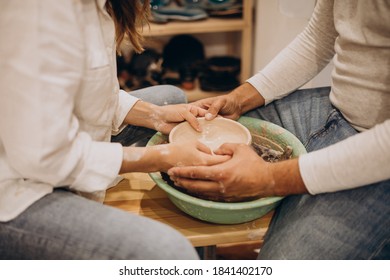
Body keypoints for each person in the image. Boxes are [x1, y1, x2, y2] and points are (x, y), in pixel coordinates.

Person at [0, 0, 229, 259]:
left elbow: (87, 94)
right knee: (169, 252)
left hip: (39, 141)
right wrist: (163, 156)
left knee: (172, 97)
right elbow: (44, 157)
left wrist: (157, 115)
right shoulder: (42, 11)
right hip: (15, 187)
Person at [168, 0, 390, 259]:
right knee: (189, 135)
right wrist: (240, 98)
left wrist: (268, 179)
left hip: (377, 150)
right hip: (336, 108)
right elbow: (318, 38)